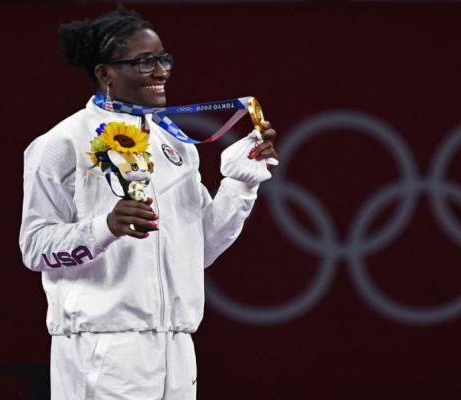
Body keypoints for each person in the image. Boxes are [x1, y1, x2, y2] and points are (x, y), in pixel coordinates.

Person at [19, 8, 277, 400]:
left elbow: (198, 251)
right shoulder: (62, 143)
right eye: (144, 62)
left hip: (177, 349)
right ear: (106, 73)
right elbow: (34, 247)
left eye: (163, 59)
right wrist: (104, 228)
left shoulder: (175, 145)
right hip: (102, 348)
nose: (161, 72)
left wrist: (239, 185)